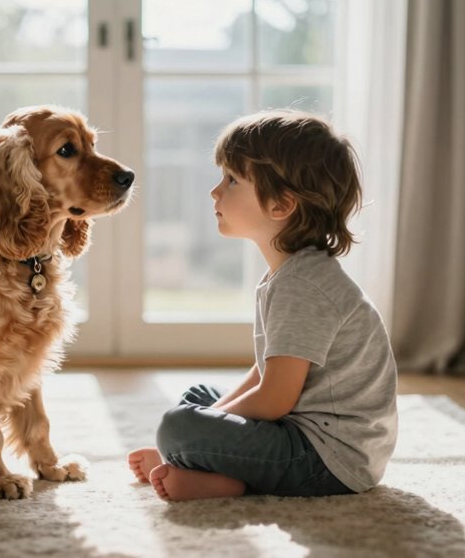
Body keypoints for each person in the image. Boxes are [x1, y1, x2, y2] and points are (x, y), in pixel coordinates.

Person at [128, 110, 398, 502]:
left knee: (178, 427)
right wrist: (212, 417)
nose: (215, 191)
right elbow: (264, 373)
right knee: (199, 395)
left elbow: (274, 399)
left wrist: (203, 427)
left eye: (232, 180)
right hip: (303, 434)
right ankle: (210, 467)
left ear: (281, 205)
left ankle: (215, 473)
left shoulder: (303, 286)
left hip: (328, 460)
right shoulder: (288, 275)